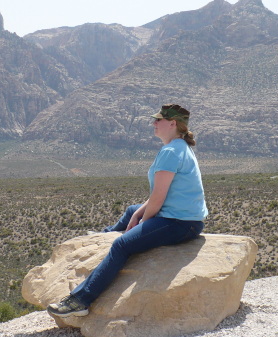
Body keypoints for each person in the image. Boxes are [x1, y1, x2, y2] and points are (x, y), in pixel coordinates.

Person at [47, 103, 208, 318]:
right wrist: (138, 213)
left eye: (158, 120)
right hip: (185, 219)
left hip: (180, 223)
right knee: (132, 209)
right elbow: (158, 196)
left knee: (122, 245)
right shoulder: (180, 147)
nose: (154, 123)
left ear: (172, 123)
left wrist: (143, 224)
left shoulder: (170, 152)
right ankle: (104, 235)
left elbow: (158, 199)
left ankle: (81, 300)